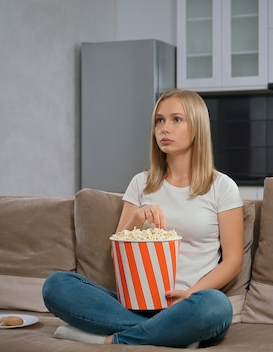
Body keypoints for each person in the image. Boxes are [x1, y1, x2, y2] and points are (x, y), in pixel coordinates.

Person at [42, 89, 244, 348]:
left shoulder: (222, 187)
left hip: (191, 304)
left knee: (217, 307)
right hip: (136, 305)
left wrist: (191, 294)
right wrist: (137, 219)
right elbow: (117, 255)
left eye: (176, 119)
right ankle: (169, 334)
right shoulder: (141, 184)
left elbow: (233, 261)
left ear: (198, 126)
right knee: (56, 285)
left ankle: (113, 338)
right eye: (159, 120)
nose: (164, 129)